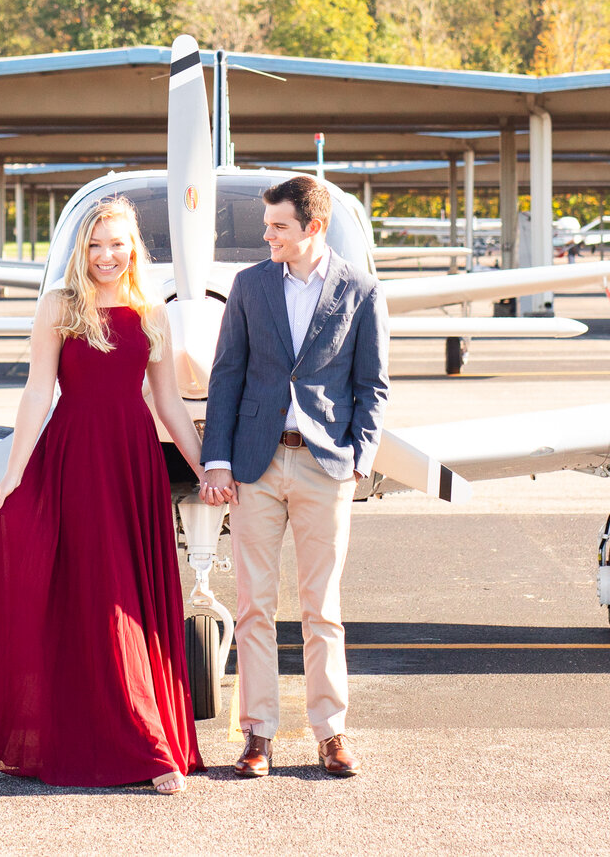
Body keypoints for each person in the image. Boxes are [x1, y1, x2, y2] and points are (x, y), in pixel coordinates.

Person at [0, 195, 205, 792]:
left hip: (133, 464)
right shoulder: (60, 306)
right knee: (101, 596)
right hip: (75, 460)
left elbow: (169, 404)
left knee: (130, 601)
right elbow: (38, 393)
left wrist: (208, 468)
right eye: (95, 245)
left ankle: (141, 735)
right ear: (79, 249)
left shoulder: (151, 312)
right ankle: (147, 746)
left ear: (134, 248)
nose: (106, 256)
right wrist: (11, 473)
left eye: (118, 244)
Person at [198, 174, 388, 779]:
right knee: (254, 605)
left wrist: (360, 455)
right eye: (267, 224)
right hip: (255, 465)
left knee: (321, 607)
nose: (267, 234)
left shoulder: (360, 290)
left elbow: (372, 386)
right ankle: (257, 736)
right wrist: (218, 459)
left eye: (279, 225)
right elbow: (227, 375)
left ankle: (330, 733)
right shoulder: (249, 286)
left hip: (325, 465)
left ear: (313, 227)